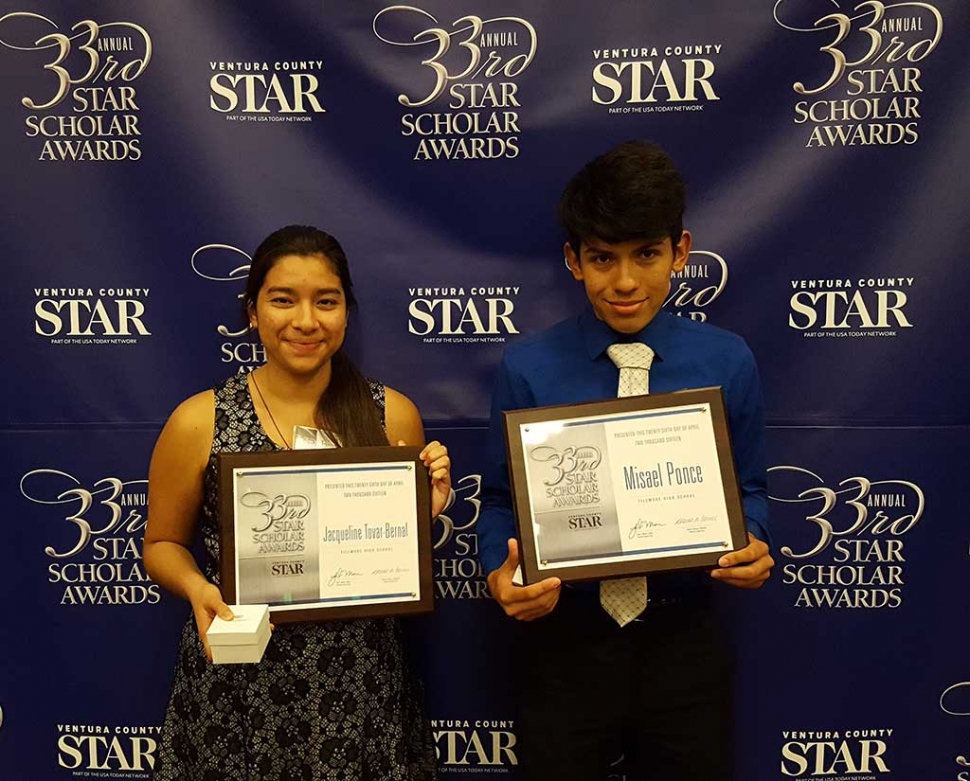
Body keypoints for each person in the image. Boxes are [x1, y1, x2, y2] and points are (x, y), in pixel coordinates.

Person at [477, 141, 774, 781]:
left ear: (681, 251)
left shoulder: (728, 362)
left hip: (684, 637)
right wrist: (499, 573)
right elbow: (500, 501)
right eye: (602, 258)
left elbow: (750, 488)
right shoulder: (527, 367)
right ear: (573, 261)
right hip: (566, 639)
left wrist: (755, 539)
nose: (626, 282)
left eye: (647, 254)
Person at [145, 225, 450, 781]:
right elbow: (163, 543)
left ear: (347, 313)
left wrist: (422, 512)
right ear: (252, 312)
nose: (306, 321)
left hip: (362, 681)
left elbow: (393, 555)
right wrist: (197, 588)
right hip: (241, 682)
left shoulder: (392, 415)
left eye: (326, 301)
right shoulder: (199, 420)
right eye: (283, 299)